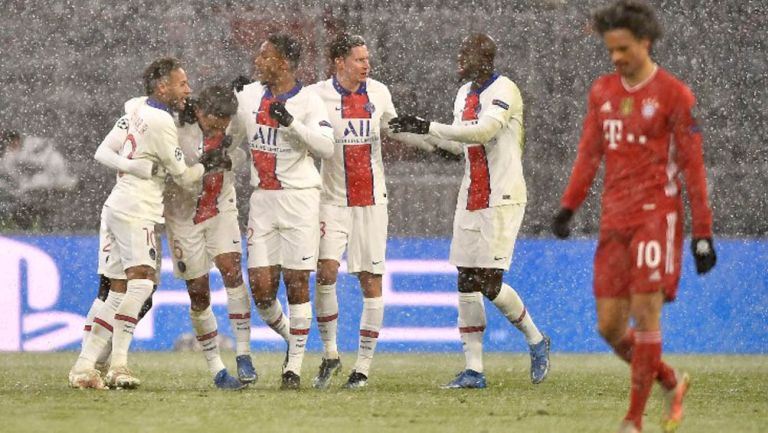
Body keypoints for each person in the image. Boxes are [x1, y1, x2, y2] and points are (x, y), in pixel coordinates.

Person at [550, 2, 716, 432]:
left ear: (645, 43)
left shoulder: (674, 95)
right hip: (614, 219)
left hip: (656, 217)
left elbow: (693, 169)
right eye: (610, 51)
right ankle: (669, 379)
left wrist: (703, 233)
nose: (616, 58)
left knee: (646, 313)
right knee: (608, 327)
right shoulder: (602, 92)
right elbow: (590, 153)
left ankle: (633, 420)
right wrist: (569, 205)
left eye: (623, 49)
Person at [389, 33, 551, 389]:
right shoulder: (464, 94)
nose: (459, 57)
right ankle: (474, 370)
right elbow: (458, 143)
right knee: (465, 278)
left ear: (485, 56)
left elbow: (483, 131)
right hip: (471, 195)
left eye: (466, 52)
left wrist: (429, 126)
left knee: (489, 282)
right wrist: (414, 135)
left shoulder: (505, 89)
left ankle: (537, 339)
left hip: (503, 196)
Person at [69, 57, 228, 390]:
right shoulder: (159, 121)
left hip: (116, 204)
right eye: (182, 83)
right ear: (162, 87)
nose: (188, 89)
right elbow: (184, 178)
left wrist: (132, 166)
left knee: (115, 292)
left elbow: (102, 151)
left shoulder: (136, 110)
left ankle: (85, 367)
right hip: (138, 208)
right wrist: (207, 165)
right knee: (141, 284)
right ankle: (118, 365)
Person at [306, 33, 435, 390]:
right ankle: (331, 353)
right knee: (326, 271)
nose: (367, 65)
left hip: (372, 201)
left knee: (370, 281)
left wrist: (431, 143)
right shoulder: (316, 96)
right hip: (331, 200)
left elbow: (392, 128)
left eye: (367, 59)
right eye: (360, 59)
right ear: (339, 63)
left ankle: (362, 368)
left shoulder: (378, 92)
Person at [229, 33, 334, 390]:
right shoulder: (248, 97)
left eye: (264, 57)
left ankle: (295, 369)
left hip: (300, 199)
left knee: (297, 283)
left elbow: (326, 147)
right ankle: (295, 340)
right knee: (260, 288)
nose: (257, 62)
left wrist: (290, 123)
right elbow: (230, 138)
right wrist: (229, 99)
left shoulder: (309, 101)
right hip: (263, 200)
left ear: (284, 64)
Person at [164, 85, 254, 389]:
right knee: (199, 292)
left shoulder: (235, 121)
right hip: (182, 216)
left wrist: (229, 162)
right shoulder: (174, 126)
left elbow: (242, 153)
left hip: (219, 207)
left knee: (232, 271)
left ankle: (243, 353)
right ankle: (217, 369)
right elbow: (175, 174)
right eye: (214, 122)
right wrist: (204, 165)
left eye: (224, 123)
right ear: (200, 112)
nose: (220, 128)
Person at [0, 129, 77, 230]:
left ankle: (45, 226)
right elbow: (15, 176)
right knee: (30, 208)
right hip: (33, 191)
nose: (12, 146)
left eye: (13, 142)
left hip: (51, 179)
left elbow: (49, 156)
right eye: (9, 144)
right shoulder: (9, 157)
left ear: (18, 139)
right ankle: (36, 227)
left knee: (43, 205)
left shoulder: (32, 145)